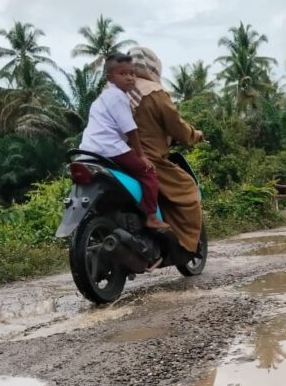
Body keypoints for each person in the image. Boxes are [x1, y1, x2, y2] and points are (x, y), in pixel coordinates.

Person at [79, 53, 169, 232]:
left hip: (88, 150)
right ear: (110, 77)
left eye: (132, 73)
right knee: (148, 172)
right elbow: (130, 129)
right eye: (123, 74)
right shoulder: (119, 96)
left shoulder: (101, 99)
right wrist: (142, 155)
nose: (129, 78)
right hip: (110, 148)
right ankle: (151, 216)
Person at [127, 46, 205, 254]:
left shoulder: (114, 91)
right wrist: (194, 135)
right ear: (152, 66)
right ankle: (186, 246)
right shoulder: (154, 92)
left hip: (113, 157)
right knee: (187, 188)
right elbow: (176, 126)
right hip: (149, 159)